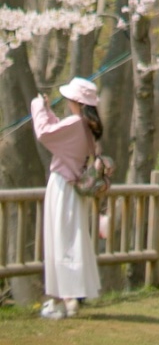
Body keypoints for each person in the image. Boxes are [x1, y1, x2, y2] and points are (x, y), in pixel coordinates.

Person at [31, 76, 106, 320]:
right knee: (70, 238)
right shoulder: (85, 125)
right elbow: (57, 133)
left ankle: (66, 299)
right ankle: (64, 297)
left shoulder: (75, 123)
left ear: (76, 101)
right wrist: (49, 112)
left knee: (61, 240)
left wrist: (37, 107)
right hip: (74, 189)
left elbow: (45, 133)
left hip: (63, 186)